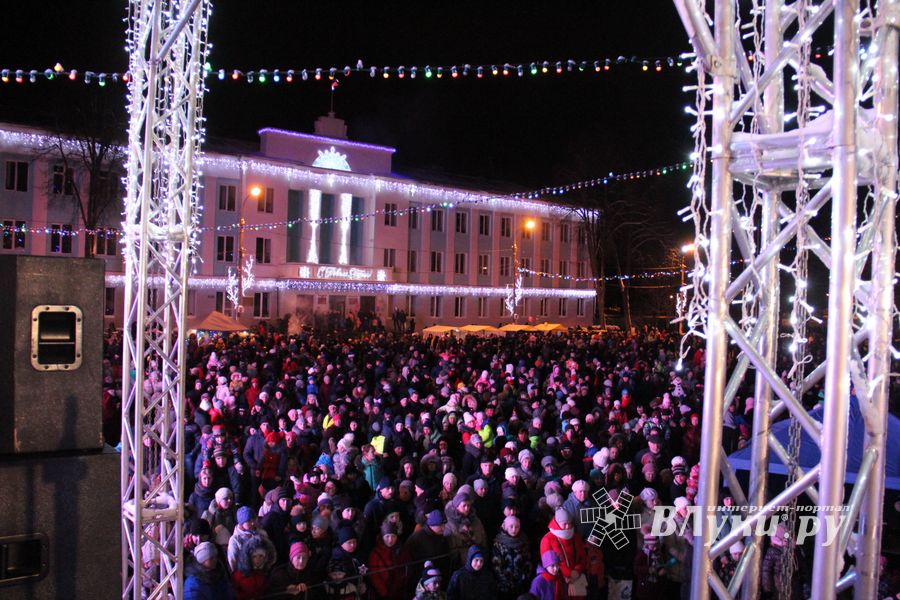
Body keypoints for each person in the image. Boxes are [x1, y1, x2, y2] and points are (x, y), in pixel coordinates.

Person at [492, 515, 533, 600]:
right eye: (511, 527)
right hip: (504, 586)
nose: (514, 530)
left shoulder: (523, 541)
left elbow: (528, 562)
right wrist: (505, 581)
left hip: (521, 585)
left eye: (517, 527)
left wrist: (523, 578)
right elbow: (496, 566)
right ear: (506, 527)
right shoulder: (498, 543)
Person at [368, 521, 410, 599]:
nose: (390, 540)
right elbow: (374, 575)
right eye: (387, 536)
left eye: (393, 536)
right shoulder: (375, 553)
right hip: (383, 594)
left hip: (400, 592)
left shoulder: (402, 550)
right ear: (382, 536)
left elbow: (406, 568)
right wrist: (384, 592)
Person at [231, 534, 276, 600]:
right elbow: (233, 593)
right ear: (248, 557)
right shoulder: (239, 574)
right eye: (254, 556)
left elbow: (269, 590)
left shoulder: (266, 572)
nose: (258, 559)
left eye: (261, 556)